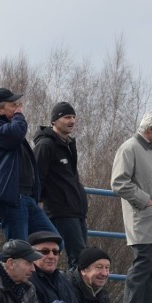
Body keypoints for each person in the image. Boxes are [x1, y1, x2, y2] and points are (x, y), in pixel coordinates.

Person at [111, 109, 152, 303]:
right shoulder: (130, 148)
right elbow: (119, 182)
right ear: (149, 129)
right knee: (142, 266)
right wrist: (143, 199)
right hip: (143, 219)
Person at [0, 87, 57, 242]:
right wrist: (19, 115)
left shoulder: (8, 125)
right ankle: (1, 262)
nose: (18, 108)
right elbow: (16, 134)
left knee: (53, 241)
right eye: (13, 105)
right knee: (19, 249)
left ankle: (2, 260)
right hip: (10, 195)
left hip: (26, 196)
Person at [33, 102, 88, 268]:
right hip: (60, 210)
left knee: (84, 257)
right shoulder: (46, 145)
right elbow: (36, 178)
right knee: (77, 258)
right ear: (54, 121)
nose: (71, 121)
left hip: (77, 210)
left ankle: (77, 293)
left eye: (73, 117)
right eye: (66, 117)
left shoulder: (69, 144)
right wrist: (41, 200)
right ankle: (74, 293)